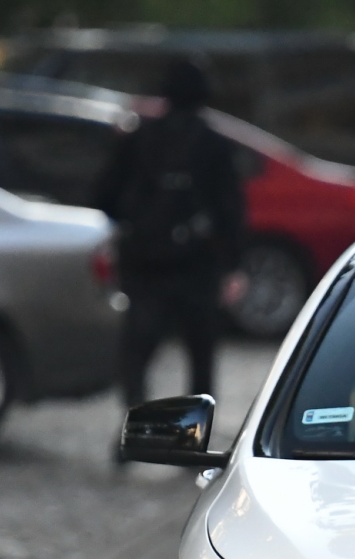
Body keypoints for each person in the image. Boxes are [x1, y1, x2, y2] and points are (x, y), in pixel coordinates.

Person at [92, 59, 245, 406]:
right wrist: (233, 264)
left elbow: (103, 194)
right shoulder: (214, 145)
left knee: (137, 353)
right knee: (201, 360)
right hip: (198, 266)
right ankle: (192, 442)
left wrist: (133, 225)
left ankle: (135, 428)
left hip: (146, 263)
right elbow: (230, 209)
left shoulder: (138, 139)